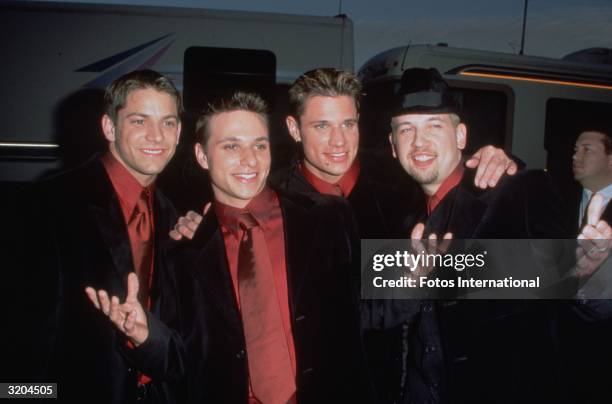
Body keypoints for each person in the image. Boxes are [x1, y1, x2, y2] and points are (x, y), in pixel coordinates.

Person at [171, 68, 519, 404]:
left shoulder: (400, 187)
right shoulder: (266, 196)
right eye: (321, 125)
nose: (338, 141)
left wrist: (499, 162)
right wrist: (205, 226)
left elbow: (505, 265)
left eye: (348, 124)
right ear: (294, 129)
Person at [388, 67, 612, 403]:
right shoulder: (401, 217)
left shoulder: (520, 191)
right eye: (406, 130)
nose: (419, 142)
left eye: (434, 126)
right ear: (393, 146)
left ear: (461, 136)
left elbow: (576, 308)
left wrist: (586, 277)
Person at [170, 91, 370, 403]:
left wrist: (423, 274)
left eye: (259, 145)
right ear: (202, 155)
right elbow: (181, 356)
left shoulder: (328, 216)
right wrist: (144, 339)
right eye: (232, 146)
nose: (250, 160)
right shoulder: (186, 250)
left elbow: (371, 305)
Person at [16, 70, 185, 403]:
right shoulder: (48, 203)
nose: (156, 136)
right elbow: (20, 338)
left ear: (179, 132)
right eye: (140, 121)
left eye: (167, 123)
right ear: (109, 127)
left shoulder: (175, 218)